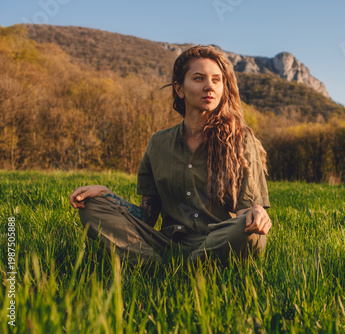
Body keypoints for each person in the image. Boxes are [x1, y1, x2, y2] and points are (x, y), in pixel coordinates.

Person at [69, 45, 272, 265]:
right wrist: (107, 195)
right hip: (167, 242)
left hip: (217, 240)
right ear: (179, 89)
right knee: (91, 205)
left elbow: (246, 211)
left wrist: (256, 212)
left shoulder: (241, 139)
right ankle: (153, 263)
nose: (209, 87)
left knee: (250, 232)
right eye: (198, 78)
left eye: (216, 80)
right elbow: (146, 216)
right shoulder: (159, 143)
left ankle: (179, 265)